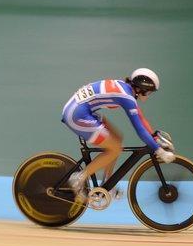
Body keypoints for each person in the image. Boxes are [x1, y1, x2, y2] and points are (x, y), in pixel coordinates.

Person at [61, 68, 174, 200]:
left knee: (117, 139)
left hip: (80, 110)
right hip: (77, 115)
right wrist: (159, 151)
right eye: (149, 92)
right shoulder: (126, 97)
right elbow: (139, 129)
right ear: (142, 88)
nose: (148, 95)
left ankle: (108, 184)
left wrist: (154, 136)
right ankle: (78, 178)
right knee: (115, 148)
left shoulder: (125, 89)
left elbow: (141, 118)